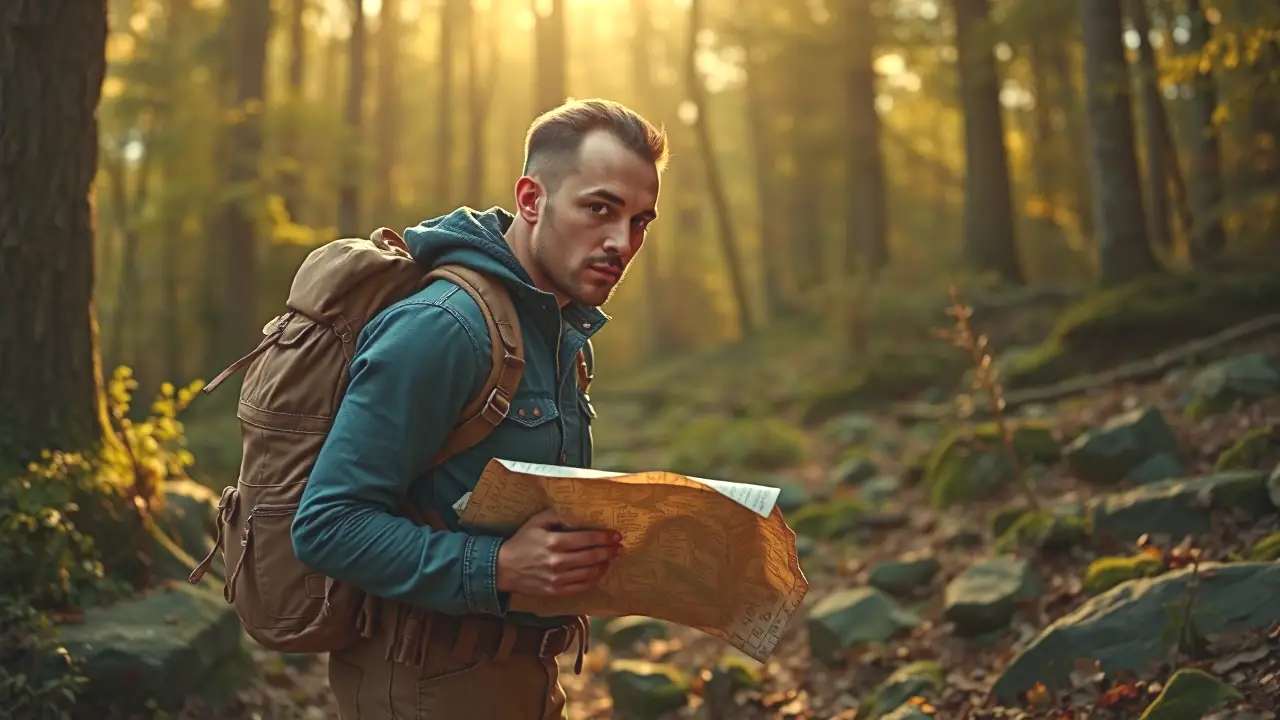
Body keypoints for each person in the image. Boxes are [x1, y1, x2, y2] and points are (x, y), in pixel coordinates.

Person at [290, 98, 668, 719]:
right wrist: (498, 566)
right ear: (531, 200)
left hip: (521, 677)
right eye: (599, 209)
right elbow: (328, 525)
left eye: (640, 221)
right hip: (424, 685)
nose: (620, 242)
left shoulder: (556, 329)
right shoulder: (444, 329)